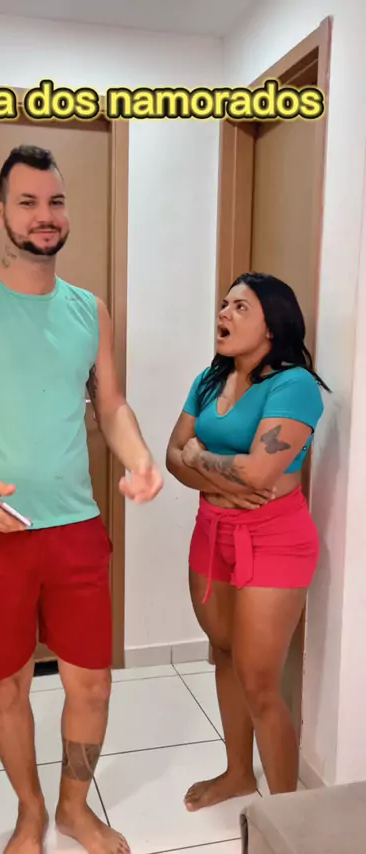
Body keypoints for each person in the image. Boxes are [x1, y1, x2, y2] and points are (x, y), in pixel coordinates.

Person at [0, 144, 163, 854]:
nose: (43, 215)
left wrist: (140, 457)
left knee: (92, 686)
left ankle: (75, 809)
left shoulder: (90, 310)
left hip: (76, 528)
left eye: (54, 202)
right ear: (0, 213)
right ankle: (31, 811)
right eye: (27, 202)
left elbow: (111, 405)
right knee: (6, 690)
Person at [166, 272, 329, 812]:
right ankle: (238, 773)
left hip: (275, 538)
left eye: (241, 307)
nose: (225, 313)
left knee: (260, 681)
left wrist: (200, 458)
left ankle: (288, 818)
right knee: (225, 653)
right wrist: (219, 473)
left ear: (272, 325)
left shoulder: (294, 386)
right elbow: (172, 456)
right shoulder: (209, 380)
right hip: (212, 531)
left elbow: (259, 473)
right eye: (224, 304)